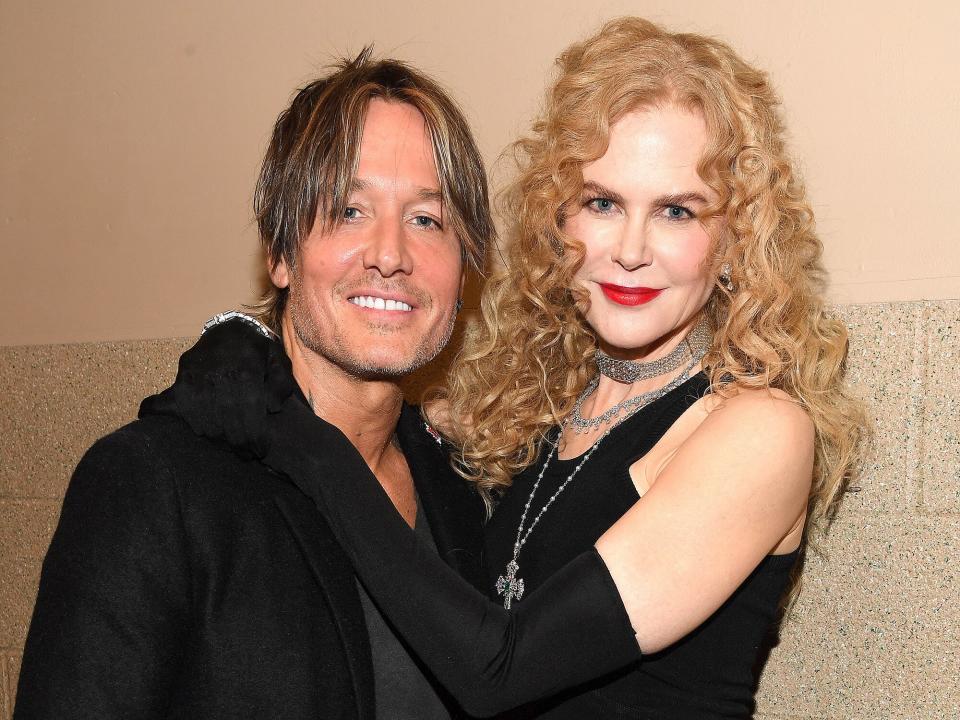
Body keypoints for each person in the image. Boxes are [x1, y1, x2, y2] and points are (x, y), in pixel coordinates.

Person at [162, 16, 868, 720]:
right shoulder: (539, 409)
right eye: (603, 202)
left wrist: (292, 429)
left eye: (677, 211)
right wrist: (239, 342)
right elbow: (372, 411)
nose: (629, 248)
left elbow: (498, 668)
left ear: (735, 239)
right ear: (558, 219)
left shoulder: (757, 431)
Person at [15, 50, 497, 720]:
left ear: (465, 267)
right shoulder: (152, 484)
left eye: (427, 219)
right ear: (279, 252)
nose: (391, 254)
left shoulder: (474, 498)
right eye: (348, 211)